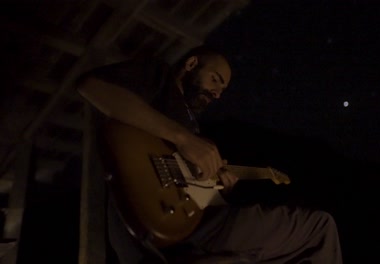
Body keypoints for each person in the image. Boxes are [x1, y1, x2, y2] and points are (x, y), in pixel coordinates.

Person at [76, 46, 343, 264]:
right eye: (215, 79)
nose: (217, 93)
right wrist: (183, 138)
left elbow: (191, 192)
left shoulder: (194, 127)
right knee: (320, 229)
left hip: (184, 232)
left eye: (222, 90)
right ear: (191, 64)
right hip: (149, 222)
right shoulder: (159, 77)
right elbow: (92, 87)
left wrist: (218, 190)